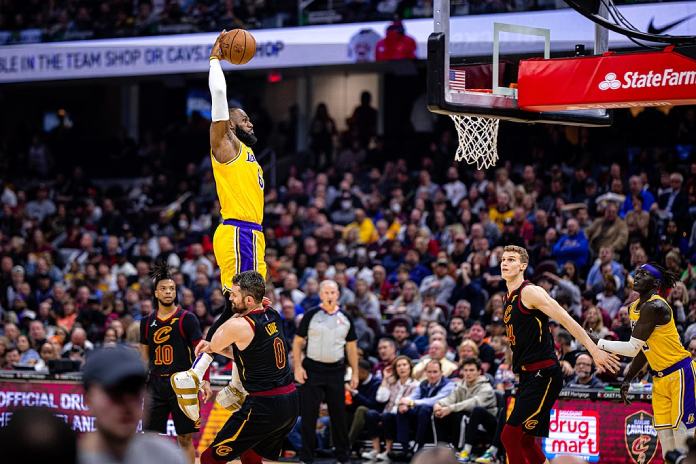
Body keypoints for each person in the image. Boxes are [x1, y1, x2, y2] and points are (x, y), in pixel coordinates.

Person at [172, 30, 269, 420]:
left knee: (254, 309)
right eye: (242, 116)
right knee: (250, 309)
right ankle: (215, 378)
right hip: (240, 231)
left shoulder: (247, 154)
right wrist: (215, 60)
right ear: (228, 123)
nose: (248, 120)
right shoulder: (225, 147)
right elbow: (219, 102)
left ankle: (207, 375)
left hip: (250, 235)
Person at [499, 245, 619, 464]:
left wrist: (593, 350)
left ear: (523, 266)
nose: (505, 263)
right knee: (525, 441)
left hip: (543, 375)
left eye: (511, 259)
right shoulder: (508, 297)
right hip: (528, 376)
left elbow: (566, 319)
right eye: (503, 259)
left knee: (510, 436)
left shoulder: (530, 292)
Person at [591, 263, 695, 458]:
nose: (637, 276)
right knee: (667, 446)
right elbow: (641, 350)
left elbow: (631, 348)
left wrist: (598, 342)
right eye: (637, 273)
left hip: (680, 374)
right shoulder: (633, 308)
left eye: (644, 274)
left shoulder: (655, 306)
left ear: (655, 283)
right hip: (659, 379)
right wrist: (628, 378)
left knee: (683, 439)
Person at [200, 271, 298, 464]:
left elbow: (215, 342)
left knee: (209, 459)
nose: (229, 298)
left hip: (264, 406)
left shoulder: (239, 325)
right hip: (290, 402)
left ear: (251, 300)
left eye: (234, 295)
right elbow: (249, 354)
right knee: (250, 456)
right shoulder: (273, 314)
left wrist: (211, 343)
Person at [139, 262, 211, 464]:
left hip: (182, 384)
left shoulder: (187, 318)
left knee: (185, 438)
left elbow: (202, 351)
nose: (168, 292)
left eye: (172, 288)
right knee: (149, 438)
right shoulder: (146, 322)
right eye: (164, 289)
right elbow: (143, 356)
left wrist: (204, 380)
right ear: (155, 293)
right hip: (155, 384)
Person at [79, 346, 186, 464]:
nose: (127, 404)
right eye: (115, 392)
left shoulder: (166, 455)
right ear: (88, 400)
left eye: (134, 391)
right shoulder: (65, 457)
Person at [293, 279, 359, 463]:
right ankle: (306, 457)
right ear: (321, 294)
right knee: (308, 415)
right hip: (312, 370)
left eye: (333, 293)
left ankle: (343, 456)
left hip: (336, 371)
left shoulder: (345, 317)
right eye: (326, 293)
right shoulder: (311, 315)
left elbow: (352, 347)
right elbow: (297, 342)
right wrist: (298, 367)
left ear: (338, 294)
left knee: (339, 415)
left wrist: (354, 373)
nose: (330, 296)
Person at [433, 357, 498, 462]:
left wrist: (450, 408)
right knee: (438, 414)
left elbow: (473, 403)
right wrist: (438, 404)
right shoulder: (461, 385)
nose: (468, 373)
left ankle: (464, 451)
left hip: (488, 424)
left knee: (471, 412)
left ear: (479, 372)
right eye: (466, 370)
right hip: (468, 419)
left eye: (471, 370)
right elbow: (451, 399)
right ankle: (442, 449)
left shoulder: (486, 388)